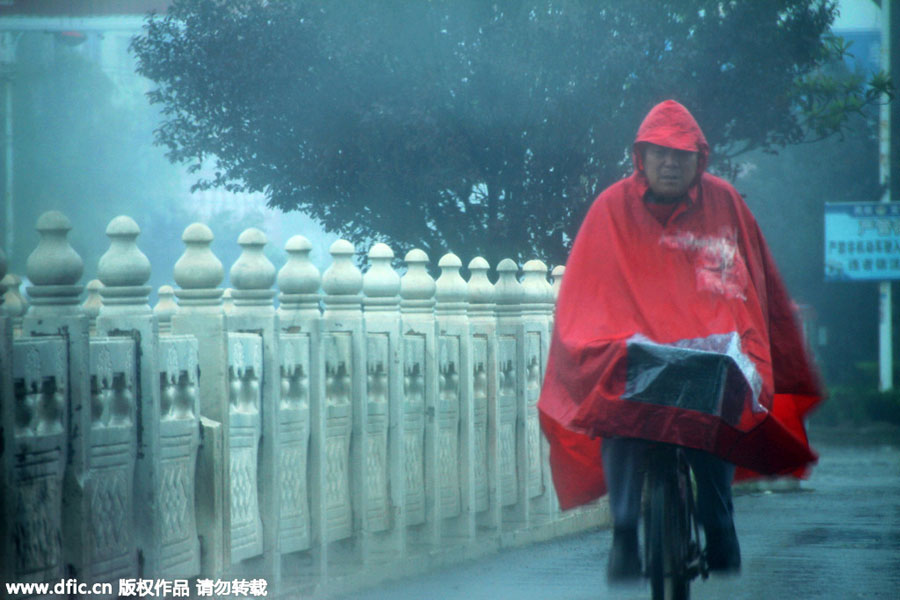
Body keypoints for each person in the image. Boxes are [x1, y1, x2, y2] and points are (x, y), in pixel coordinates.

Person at [538, 100, 822, 581]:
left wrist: (744, 344)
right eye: (660, 153)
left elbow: (754, 287)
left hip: (707, 350)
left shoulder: (725, 202)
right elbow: (584, 294)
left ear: (700, 159)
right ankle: (625, 533)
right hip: (632, 348)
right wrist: (597, 342)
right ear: (640, 158)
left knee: (717, 411)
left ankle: (719, 525)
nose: (670, 163)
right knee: (617, 412)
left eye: (681, 155)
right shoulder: (610, 208)